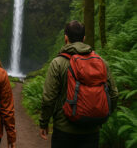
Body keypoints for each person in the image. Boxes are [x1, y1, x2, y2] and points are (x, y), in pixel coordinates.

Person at [39, 20, 118, 148]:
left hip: (64, 130)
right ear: (84, 38)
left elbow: (48, 98)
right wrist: (99, 115)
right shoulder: (101, 62)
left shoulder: (58, 63)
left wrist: (44, 122)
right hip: (92, 131)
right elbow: (113, 94)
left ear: (65, 38)